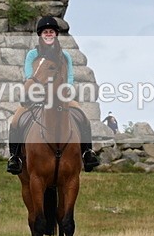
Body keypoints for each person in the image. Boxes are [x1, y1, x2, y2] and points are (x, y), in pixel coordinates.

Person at [6, 16, 100, 174]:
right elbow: (31, 74)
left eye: (51, 31)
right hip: (37, 96)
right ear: (40, 35)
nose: (48, 34)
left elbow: (70, 75)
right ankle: (15, 158)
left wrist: (68, 88)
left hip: (60, 95)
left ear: (55, 34)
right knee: (16, 120)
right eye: (45, 32)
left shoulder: (65, 56)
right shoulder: (32, 54)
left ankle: (87, 153)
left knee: (83, 117)